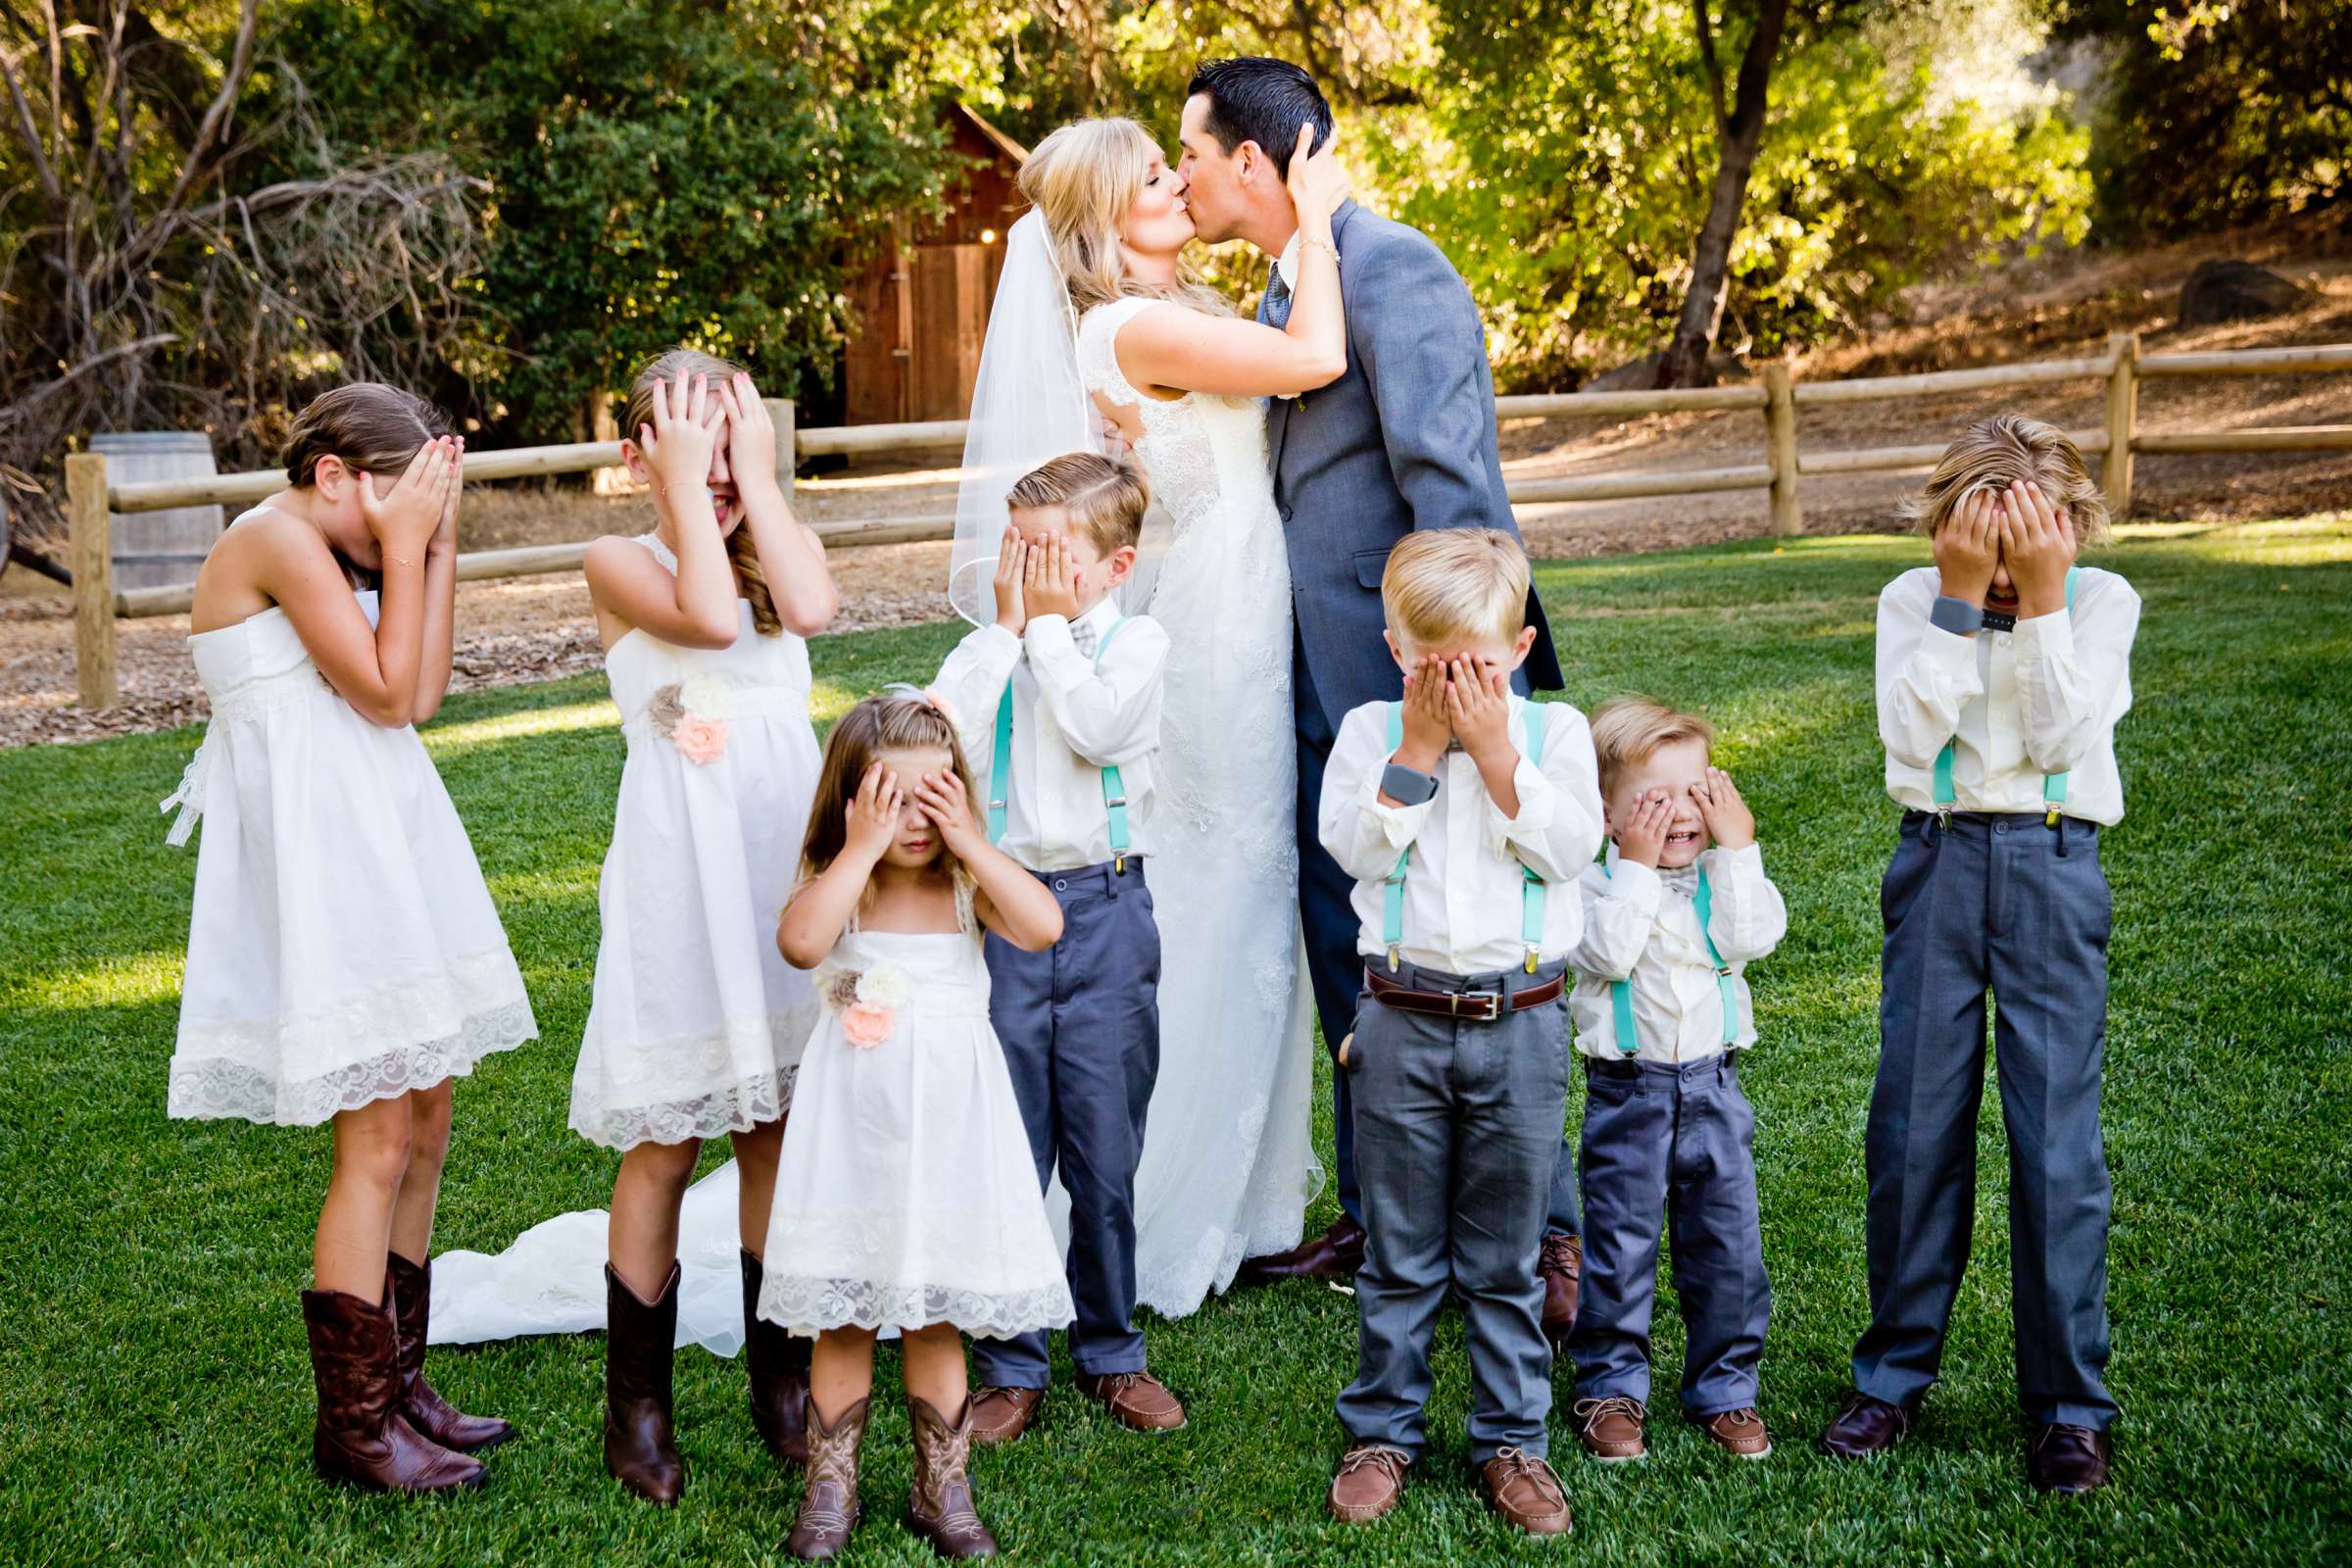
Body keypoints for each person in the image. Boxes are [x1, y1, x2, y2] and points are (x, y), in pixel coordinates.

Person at [1172, 59, 1580, 1328]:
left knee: (1482, 922)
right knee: (1350, 922)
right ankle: (1377, 1214)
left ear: (1254, 160)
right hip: (1301, 671)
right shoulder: (1288, 285)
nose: (1179, 174)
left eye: (1191, 150)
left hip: (1407, 663)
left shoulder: (1393, 265)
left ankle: (1546, 1242)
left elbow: (1453, 485)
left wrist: (1458, 681)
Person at [947, 103, 1352, 1317]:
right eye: (1148, 181)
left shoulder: (1173, 316)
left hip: (1240, 594)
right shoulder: (1132, 326)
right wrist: (1317, 223)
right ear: (1097, 231)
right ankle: (1169, 1203)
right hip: (1221, 620)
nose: (1177, 184)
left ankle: (1250, 1200)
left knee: (1246, 884)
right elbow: (1315, 361)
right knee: (1223, 884)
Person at [163, 384, 536, 1493]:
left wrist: (438, 541)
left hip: (380, 827)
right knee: (374, 1133)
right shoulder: (274, 536)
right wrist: (410, 546)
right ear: (334, 476)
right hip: (329, 856)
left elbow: (416, 694)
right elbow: (379, 691)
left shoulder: (336, 539)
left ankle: (404, 1383)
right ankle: (357, 1426)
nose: (396, 540)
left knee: (427, 1105)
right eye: (390, 513)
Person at [1818, 416, 2139, 1495]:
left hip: (2054, 863)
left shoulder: (2100, 603)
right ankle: (1893, 1375)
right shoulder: (1914, 600)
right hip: (1940, 860)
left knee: (2056, 1142)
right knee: (1912, 1123)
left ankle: (2068, 1407)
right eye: (1983, 560)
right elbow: (1912, 743)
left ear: (2071, 533)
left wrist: (2045, 601)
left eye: (2025, 559)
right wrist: (1957, 601)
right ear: (1947, 533)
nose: (2003, 583)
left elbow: (2062, 741)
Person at [567, 351, 838, 1503]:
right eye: (683, 451)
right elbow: (710, 625)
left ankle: (779, 1380)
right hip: (681, 883)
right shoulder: (617, 557)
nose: (712, 476)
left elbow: (811, 607)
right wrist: (687, 484)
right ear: (637, 460)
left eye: (726, 451)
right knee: (665, 1145)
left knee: (773, 1125)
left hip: (776, 864)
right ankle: (639, 1405)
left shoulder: (773, 548)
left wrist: (753, 481)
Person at [1314, 530, 1599, 1536]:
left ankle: (1512, 1438)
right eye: (1433, 665)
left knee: (1506, 1252)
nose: (1453, 684)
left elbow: (1570, 847)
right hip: (1399, 1017)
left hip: (1519, 1021)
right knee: (1399, 1248)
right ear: (1399, 650)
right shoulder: (1369, 733)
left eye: (1476, 665)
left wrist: (1493, 749)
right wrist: (1423, 752)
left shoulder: (1555, 735)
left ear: (1519, 649)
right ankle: (1384, 1428)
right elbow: (1351, 845)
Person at [761, 694, 1073, 1560]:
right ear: (854, 800)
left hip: (948, 1141)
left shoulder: (966, 886)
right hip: (853, 1144)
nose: (914, 822)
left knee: (935, 1318)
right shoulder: (842, 886)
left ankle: (944, 1489)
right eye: (891, 801)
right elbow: (799, 943)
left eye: (932, 799)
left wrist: (971, 839)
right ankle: (832, 1491)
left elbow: (1045, 926)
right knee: (846, 1317)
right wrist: (858, 848)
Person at [926, 454, 1185, 1442]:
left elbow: (1096, 726)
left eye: (1051, 553)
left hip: (1108, 911)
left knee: (1103, 1145)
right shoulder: (994, 647)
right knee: (1008, 1140)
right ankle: (1010, 1356)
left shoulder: (1138, 642)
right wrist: (1006, 629)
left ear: (1114, 567)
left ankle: (1113, 1347)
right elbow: (940, 726)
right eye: (1016, 546)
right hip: (1000, 914)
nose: (1028, 567)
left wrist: (1040, 631)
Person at [1563, 700, 1786, 1465]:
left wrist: (1740, 849)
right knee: (1620, 1249)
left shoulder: (1721, 879)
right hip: (1629, 1094)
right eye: (1655, 801)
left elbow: (1750, 937)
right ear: (1607, 814)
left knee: (1728, 1250)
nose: (1680, 815)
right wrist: (1631, 864)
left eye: (1697, 793)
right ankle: (1611, 1389)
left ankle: (1726, 1388)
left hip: (1716, 1091)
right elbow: (1609, 955)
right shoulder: (1591, 889)